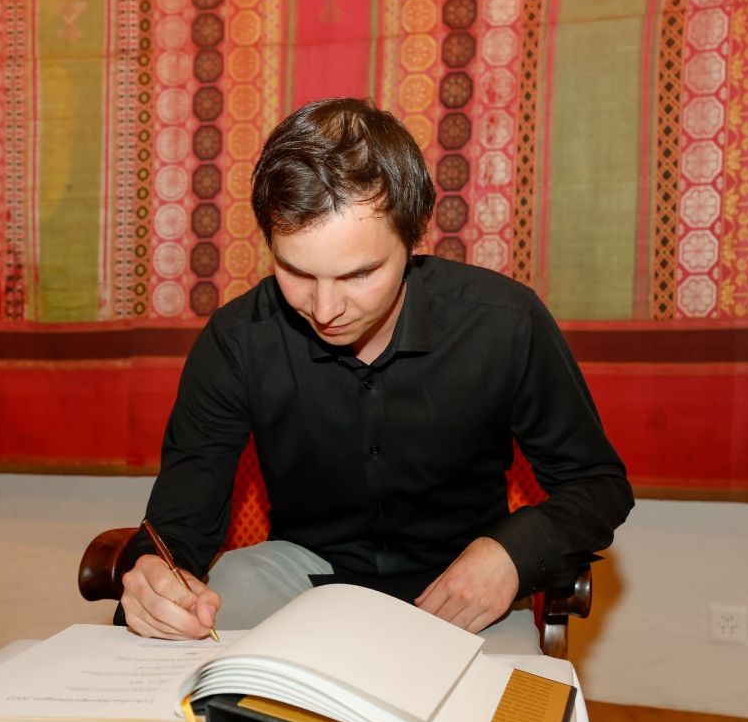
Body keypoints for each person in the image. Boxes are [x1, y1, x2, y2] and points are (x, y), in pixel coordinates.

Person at [117, 97, 633, 653]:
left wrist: (510, 554)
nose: (325, 309)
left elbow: (597, 485)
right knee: (186, 650)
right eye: (295, 271)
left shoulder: (504, 322)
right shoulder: (238, 339)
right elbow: (180, 521)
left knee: (504, 708)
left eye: (359, 274)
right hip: (302, 575)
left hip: (463, 583)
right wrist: (153, 575)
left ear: (413, 240)